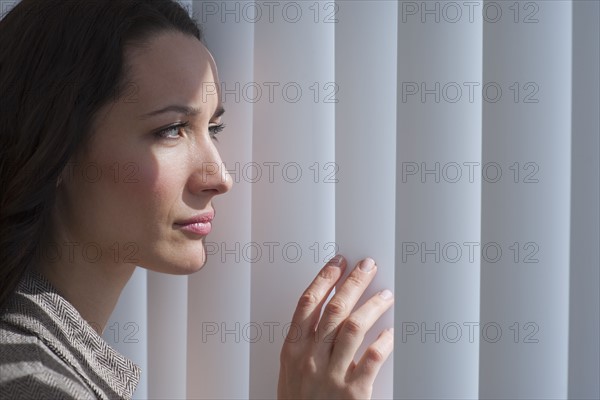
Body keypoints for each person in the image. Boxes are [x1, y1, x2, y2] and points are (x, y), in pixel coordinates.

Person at [0, 0, 394, 398]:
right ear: (55, 148)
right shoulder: (33, 381)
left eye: (213, 127)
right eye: (171, 129)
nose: (220, 178)